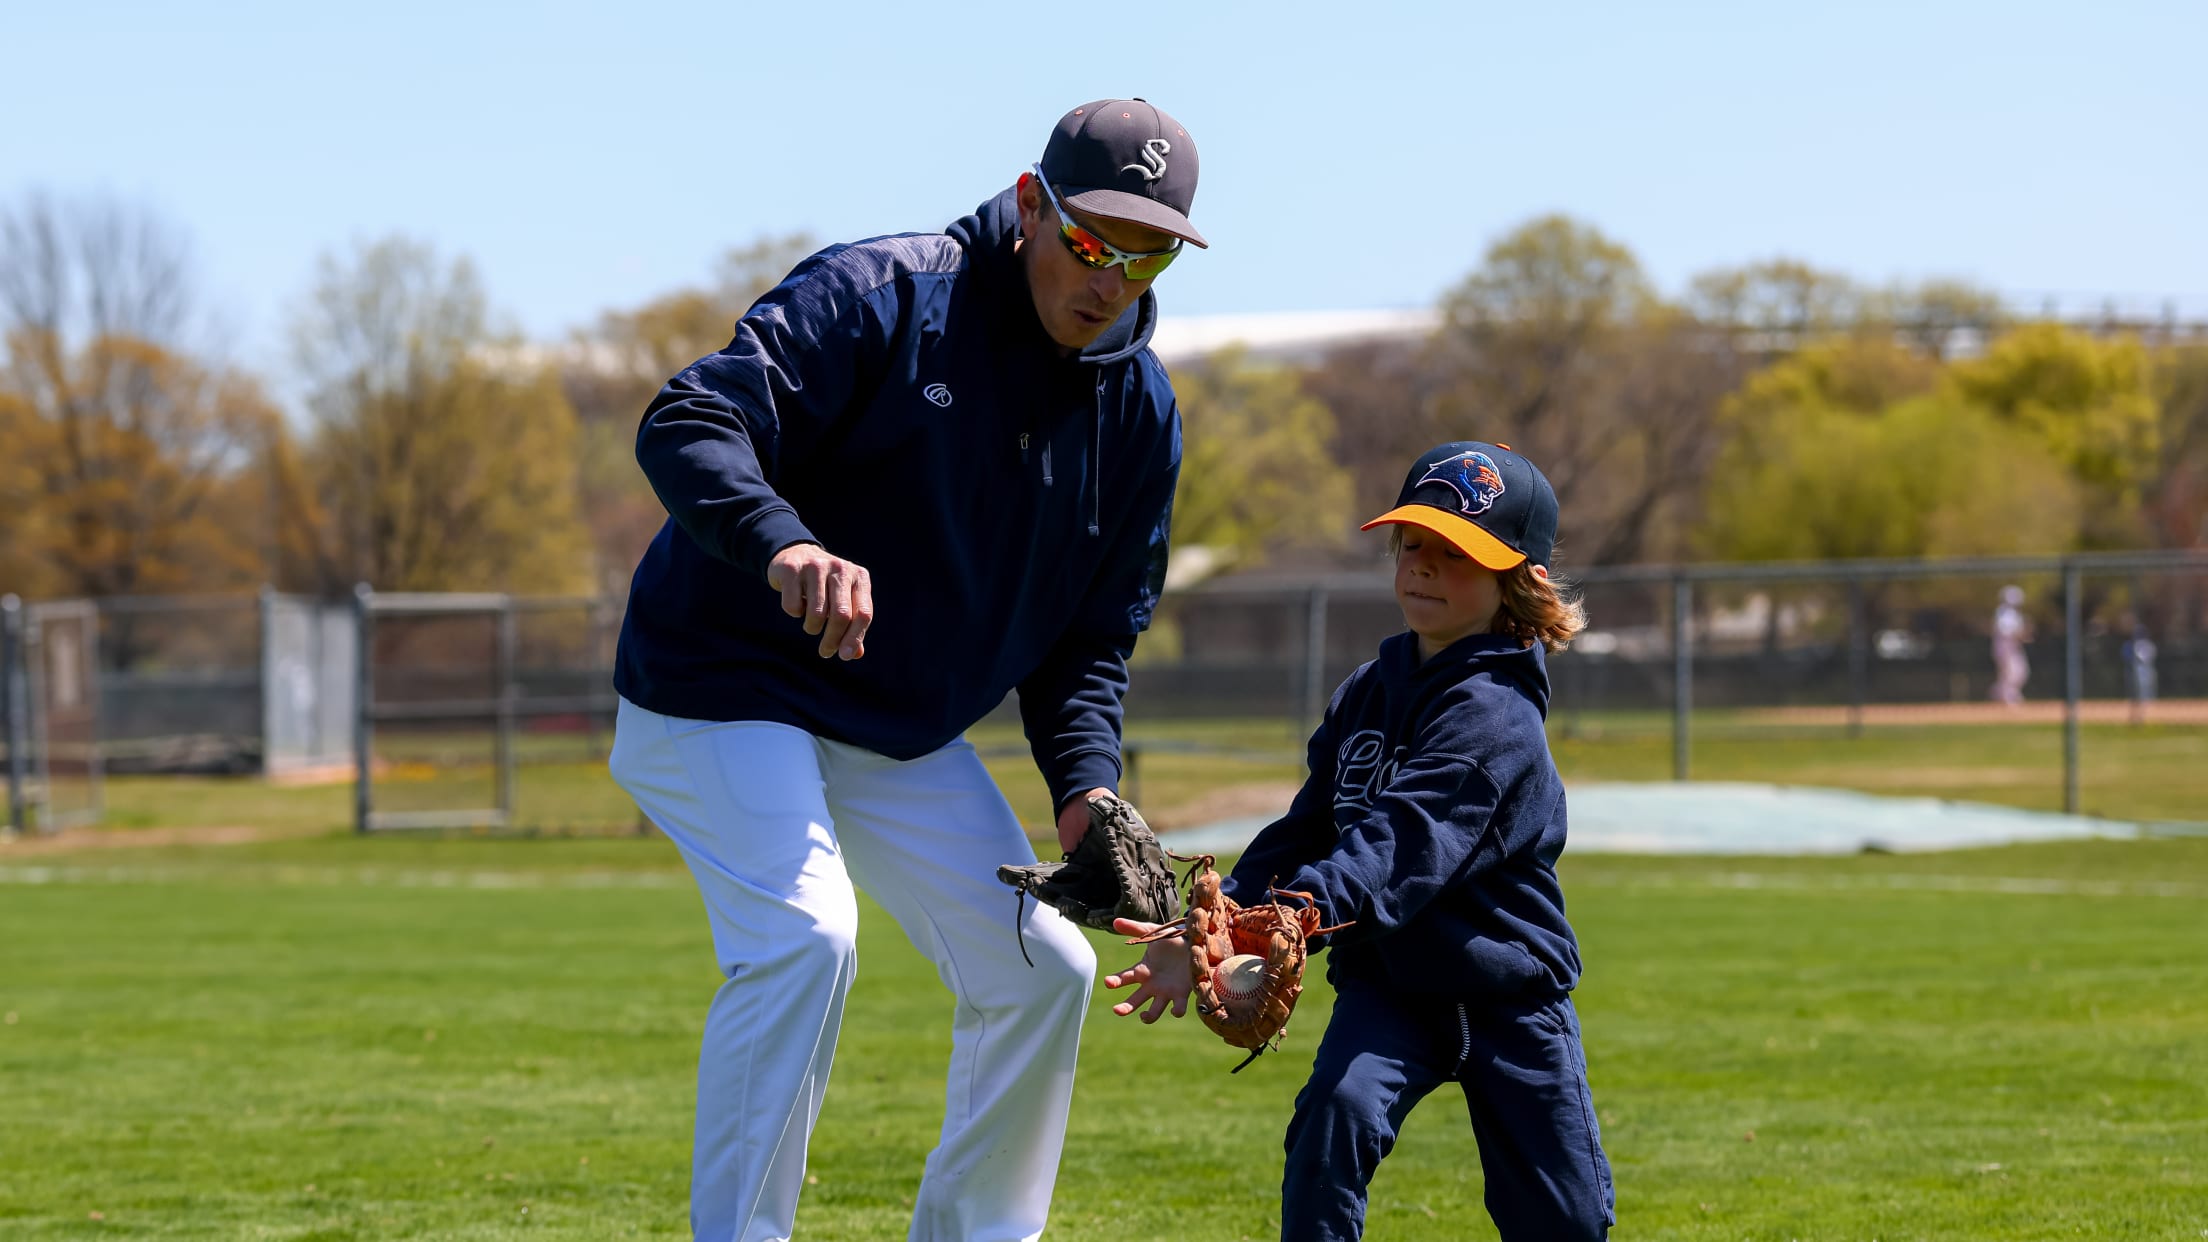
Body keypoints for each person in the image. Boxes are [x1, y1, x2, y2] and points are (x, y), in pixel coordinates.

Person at [606, 98, 1205, 1241]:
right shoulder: (889, 294)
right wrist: (782, 541)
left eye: (1150, 252)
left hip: (892, 730)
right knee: (806, 938)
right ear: (1031, 206)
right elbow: (689, 417)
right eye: (1092, 240)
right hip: (723, 685)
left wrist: (1086, 795)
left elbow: (1088, 641)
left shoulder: (1138, 416)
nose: (1112, 277)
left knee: (1044, 975)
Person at [1107, 442, 1615, 1241]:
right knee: (1330, 1126)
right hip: (1394, 987)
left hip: (1509, 995)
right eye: (1413, 544)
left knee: (1564, 1219)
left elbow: (1402, 843)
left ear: (1519, 580)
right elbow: (1310, 825)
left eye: (1456, 554)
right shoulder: (1370, 692)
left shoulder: (1498, 717)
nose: (1423, 567)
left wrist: (1296, 915)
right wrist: (1218, 918)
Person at [1991, 584, 2031, 707]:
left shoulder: (2012, 613)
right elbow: (2005, 631)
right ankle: (2006, 696)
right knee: (2011, 672)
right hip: (2005, 645)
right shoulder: (2004, 612)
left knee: (2020, 671)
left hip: (2012, 646)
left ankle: (2000, 693)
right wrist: (2020, 635)